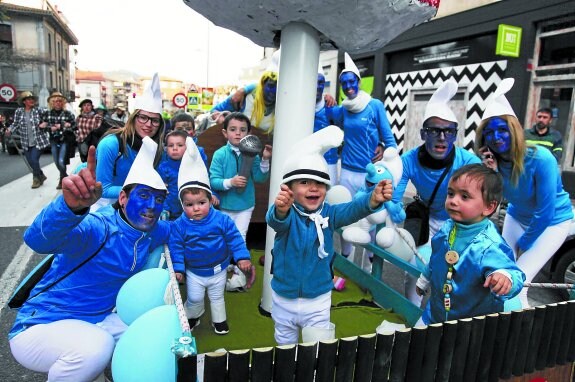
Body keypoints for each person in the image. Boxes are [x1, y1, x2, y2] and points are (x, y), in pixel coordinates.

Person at [9, 137, 171, 381]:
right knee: (98, 347)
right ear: (124, 199)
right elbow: (37, 240)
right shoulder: (99, 226)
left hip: (100, 318)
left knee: (153, 338)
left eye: (158, 199)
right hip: (43, 324)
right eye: (145, 195)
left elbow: (186, 231)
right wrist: (69, 209)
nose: (152, 206)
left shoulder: (151, 230)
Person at [266, 125, 393, 345]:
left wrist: (371, 200)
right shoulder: (288, 214)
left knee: (316, 348)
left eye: (319, 183)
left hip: (318, 299)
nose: (313, 188)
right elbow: (275, 220)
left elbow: (352, 209)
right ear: (289, 188)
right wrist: (280, 209)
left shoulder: (330, 214)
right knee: (285, 345)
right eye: (304, 182)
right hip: (283, 297)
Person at [475, 78, 573, 308]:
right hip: (517, 215)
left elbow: (546, 211)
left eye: (502, 130)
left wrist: (525, 243)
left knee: (518, 279)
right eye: (489, 132)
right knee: (497, 270)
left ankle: (519, 337)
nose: (496, 137)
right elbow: (491, 205)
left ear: (514, 130)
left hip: (552, 222)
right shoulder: (492, 162)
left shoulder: (541, 158)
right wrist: (490, 174)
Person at [389, 79, 481, 306]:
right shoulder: (409, 160)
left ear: (455, 135)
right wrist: (393, 208)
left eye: (449, 132)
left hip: (458, 224)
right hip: (426, 220)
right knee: (414, 268)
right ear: (423, 133)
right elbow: (395, 194)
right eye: (435, 131)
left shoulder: (468, 161)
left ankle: (444, 316)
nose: (442, 137)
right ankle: (411, 313)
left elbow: (485, 195)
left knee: (454, 273)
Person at [415, 164, 525, 325]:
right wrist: (424, 279)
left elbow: (514, 273)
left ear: (489, 207)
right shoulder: (447, 228)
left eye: (464, 197)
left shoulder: (489, 244)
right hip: (434, 314)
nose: (453, 201)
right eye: (451, 193)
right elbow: (436, 258)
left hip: (469, 328)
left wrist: (504, 278)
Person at [170, 137, 252, 335]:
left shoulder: (221, 219)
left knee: (217, 296)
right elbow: (176, 246)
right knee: (195, 297)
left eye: (201, 203)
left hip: (219, 269)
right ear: (182, 205)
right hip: (194, 271)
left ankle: (220, 321)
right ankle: (193, 316)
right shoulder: (179, 225)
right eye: (189, 205)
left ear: (210, 199)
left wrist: (242, 257)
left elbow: (234, 237)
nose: (196, 208)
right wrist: (179, 268)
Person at [328, 52, 397, 263]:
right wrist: (325, 98)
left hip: (369, 175)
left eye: (352, 81)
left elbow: (390, 139)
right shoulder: (343, 111)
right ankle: (347, 261)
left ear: (359, 82)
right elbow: (325, 115)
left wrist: (384, 147)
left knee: (371, 220)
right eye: (344, 83)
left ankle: (368, 267)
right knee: (347, 218)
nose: (348, 86)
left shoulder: (374, 105)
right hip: (347, 171)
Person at [95, 73, 165, 210]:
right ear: (133, 118)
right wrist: (142, 189)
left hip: (137, 208)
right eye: (143, 117)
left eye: (155, 120)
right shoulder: (111, 144)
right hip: (106, 208)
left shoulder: (157, 149)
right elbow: (103, 189)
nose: (149, 124)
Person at [209, 112, 272, 242]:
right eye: (233, 129)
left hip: (246, 205)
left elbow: (260, 178)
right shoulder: (219, 154)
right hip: (225, 205)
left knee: (240, 238)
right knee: (224, 237)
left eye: (242, 130)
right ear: (225, 133)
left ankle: (239, 262)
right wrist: (231, 182)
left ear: (248, 133)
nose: (238, 133)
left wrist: (265, 159)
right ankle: (226, 263)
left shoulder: (253, 154)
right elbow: (214, 181)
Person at [210, 50, 279, 135]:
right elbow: (215, 111)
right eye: (271, 86)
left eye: (278, 87)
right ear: (263, 83)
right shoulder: (245, 98)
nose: (273, 92)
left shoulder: (284, 106)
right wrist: (225, 122)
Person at [5, 91, 50, 188]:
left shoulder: (38, 111)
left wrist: (45, 123)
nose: (32, 101)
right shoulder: (19, 111)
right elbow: (15, 124)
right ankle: (41, 175)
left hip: (38, 141)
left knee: (34, 159)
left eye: (32, 99)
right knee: (30, 161)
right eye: (29, 99)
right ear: (24, 101)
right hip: (26, 142)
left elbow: (49, 116)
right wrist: (10, 130)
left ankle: (36, 180)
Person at [40, 92, 76, 190]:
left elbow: (75, 127)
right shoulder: (46, 114)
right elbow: (41, 127)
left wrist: (64, 126)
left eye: (59, 101)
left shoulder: (68, 114)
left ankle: (62, 180)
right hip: (53, 140)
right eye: (55, 101)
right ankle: (65, 176)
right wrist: (49, 128)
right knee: (56, 161)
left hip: (64, 140)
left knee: (61, 161)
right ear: (52, 103)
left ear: (63, 102)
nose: (57, 103)